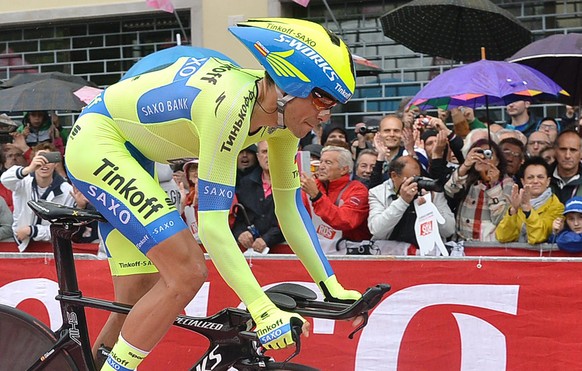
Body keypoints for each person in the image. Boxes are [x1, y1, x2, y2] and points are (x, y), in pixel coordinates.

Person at [65, 18, 361, 371]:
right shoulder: (230, 106)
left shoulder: (283, 120)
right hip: (100, 141)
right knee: (188, 271)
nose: (326, 116)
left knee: (138, 296)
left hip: (139, 150)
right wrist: (261, 308)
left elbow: (289, 206)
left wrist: (330, 284)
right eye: (322, 99)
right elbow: (213, 228)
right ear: (285, 85)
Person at [368, 156, 454, 252]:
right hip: (390, 254)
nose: (415, 183)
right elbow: (377, 230)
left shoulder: (431, 188)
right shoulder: (377, 193)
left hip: (426, 253)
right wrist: (402, 202)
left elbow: (449, 230)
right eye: (410, 179)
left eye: (418, 177)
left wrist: (430, 208)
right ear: (394, 176)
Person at [1, 142, 74, 251]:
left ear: (55, 164)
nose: (44, 164)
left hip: (52, 245)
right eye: (40, 159)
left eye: (49, 159)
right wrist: (29, 169)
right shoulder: (22, 182)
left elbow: (63, 228)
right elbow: (5, 179)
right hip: (22, 243)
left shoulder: (67, 190)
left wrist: (32, 230)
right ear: (33, 161)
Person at [300, 146, 371, 254]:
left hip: (351, 255)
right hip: (315, 252)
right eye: (321, 161)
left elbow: (344, 220)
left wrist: (317, 196)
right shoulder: (312, 186)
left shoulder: (358, 190)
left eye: (328, 163)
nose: (321, 166)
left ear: (344, 169)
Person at [445, 139, 514, 241]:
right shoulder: (467, 178)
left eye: (488, 154)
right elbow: (450, 191)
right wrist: (465, 166)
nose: (482, 158)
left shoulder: (507, 183)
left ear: (498, 161)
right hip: (462, 244)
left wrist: (494, 187)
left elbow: (500, 219)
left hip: (488, 246)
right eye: (478, 153)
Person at [496, 157, 564, 244]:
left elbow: (537, 237)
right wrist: (513, 210)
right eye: (530, 177)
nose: (535, 181)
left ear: (548, 181)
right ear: (523, 181)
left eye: (540, 177)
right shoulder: (517, 202)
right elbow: (502, 237)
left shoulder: (557, 207)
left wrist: (528, 210)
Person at [232, 141, 285, 254]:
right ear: (258, 156)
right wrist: (241, 233)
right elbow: (237, 218)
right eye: (264, 152)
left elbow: (292, 221)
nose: (268, 156)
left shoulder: (290, 184)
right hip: (249, 252)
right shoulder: (245, 183)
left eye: (272, 152)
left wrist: (267, 239)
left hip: (283, 251)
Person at [550, 129, 582, 204]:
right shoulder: (542, 178)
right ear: (555, 151)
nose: (567, 156)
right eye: (563, 149)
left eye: (573, 150)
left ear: (581, 153)